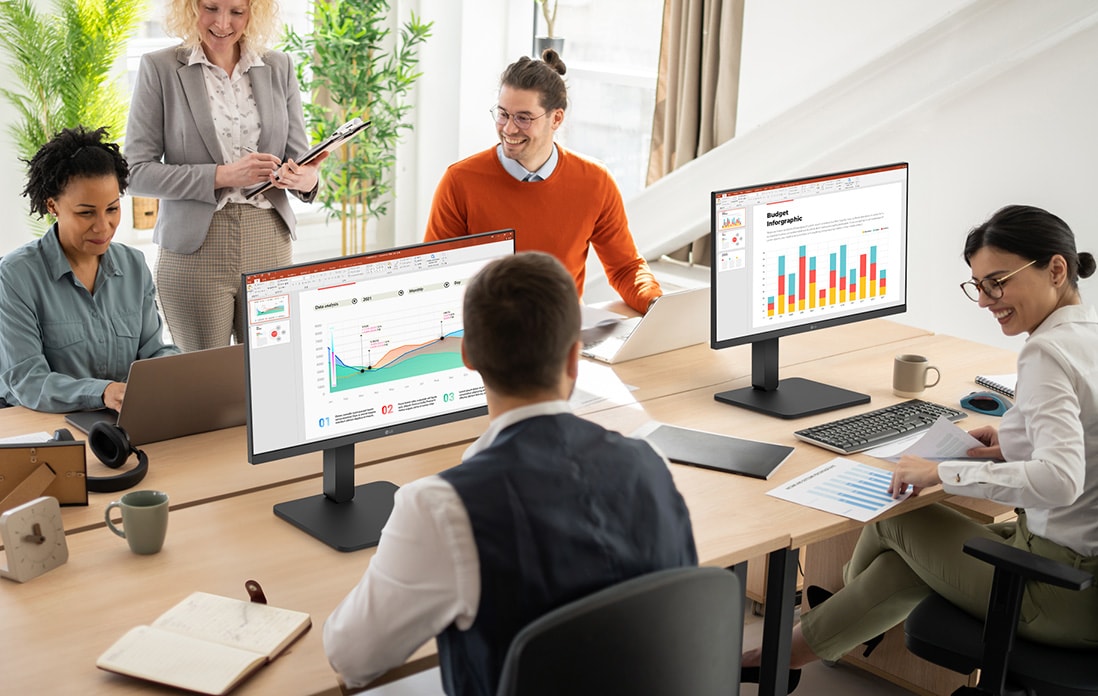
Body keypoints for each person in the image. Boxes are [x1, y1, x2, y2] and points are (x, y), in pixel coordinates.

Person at [740, 205, 1098, 687]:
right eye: (978, 286)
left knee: (897, 518)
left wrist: (940, 473)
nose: (985, 301)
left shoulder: (1046, 352)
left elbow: (1061, 480)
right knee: (903, 566)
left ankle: (814, 629)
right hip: (1077, 573)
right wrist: (1011, 442)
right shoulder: (1086, 336)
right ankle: (786, 653)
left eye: (997, 283)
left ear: (1055, 269)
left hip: (1062, 589)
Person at [323, 252, 697, 695]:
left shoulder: (441, 508)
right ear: (574, 358)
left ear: (467, 355)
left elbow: (352, 659)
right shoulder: (650, 463)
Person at [125, 0, 326, 352]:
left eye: (236, 12)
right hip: (195, 250)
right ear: (190, 6)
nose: (222, 23)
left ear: (254, 11)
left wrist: (305, 181)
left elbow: (300, 160)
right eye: (211, 8)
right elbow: (135, 172)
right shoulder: (160, 68)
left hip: (269, 241)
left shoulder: (278, 66)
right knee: (208, 378)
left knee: (272, 373)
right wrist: (223, 175)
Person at [424, 50, 662, 315]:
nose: (509, 129)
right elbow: (435, 279)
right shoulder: (460, 181)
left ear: (556, 118)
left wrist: (656, 303)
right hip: (487, 331)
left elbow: (626, 268)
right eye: (503, 114)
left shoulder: (595, 181)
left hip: (561, 332)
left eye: (523, 118)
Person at [0, 126, 179, 413]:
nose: (103, 226)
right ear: (52, 206)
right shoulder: (15, 276)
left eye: (112, 209)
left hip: (122, 418)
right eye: (86, 213)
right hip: (46, 422)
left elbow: (154, 349)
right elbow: (27, 380)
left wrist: (174, 369)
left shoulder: (133, 265)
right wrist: (102, 392)